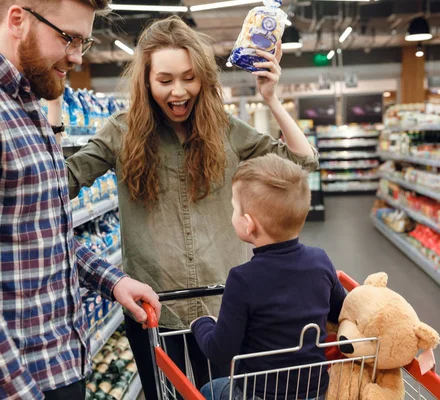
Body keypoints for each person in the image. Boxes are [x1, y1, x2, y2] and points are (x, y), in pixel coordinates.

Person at [0, 1, 160, 399]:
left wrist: (113, 281)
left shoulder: (24, 105)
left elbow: (40, 232)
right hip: (6, 384)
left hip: (54, 368)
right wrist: (20, 393)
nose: (77, 55)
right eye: (69, 38)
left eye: (84, 41)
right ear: (18, 19)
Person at [56, 16, 319, 399]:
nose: (178, 91)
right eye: (165, 80)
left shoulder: (225, 129)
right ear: (146, 81)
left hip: (226, 311)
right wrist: (50, 116)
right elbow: (59, 183)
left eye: (189, 77)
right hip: (157, 314)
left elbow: (301, 163)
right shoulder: (121, 132)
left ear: (204, 79)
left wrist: (271, 98)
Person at [191, 154, 347, 400]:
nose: (232, 213)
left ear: (249, 224)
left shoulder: (242, 279)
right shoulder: (320, 260)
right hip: (316, 390)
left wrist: (201, 323)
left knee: (208, 390)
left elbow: (221, 352)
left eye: (234, 208)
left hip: (261, 393)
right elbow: (341, 311)